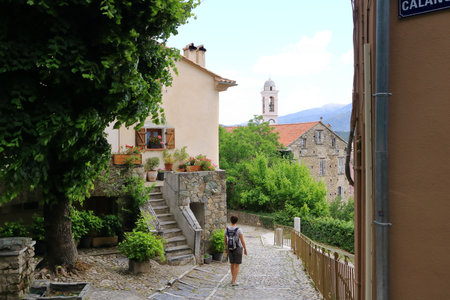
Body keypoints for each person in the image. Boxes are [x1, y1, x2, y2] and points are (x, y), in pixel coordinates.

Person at [224, 215, 247, 286]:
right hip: (237, 248)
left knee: (232, 264)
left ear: (230, 220)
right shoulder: (239, 229)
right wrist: (245, 249)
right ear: (236, 221)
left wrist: (226, 248)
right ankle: (234, 281)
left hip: (230, 248)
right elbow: (242, 241)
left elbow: (225, 239)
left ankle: (232, 279)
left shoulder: (227, 229)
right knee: (237, 265)